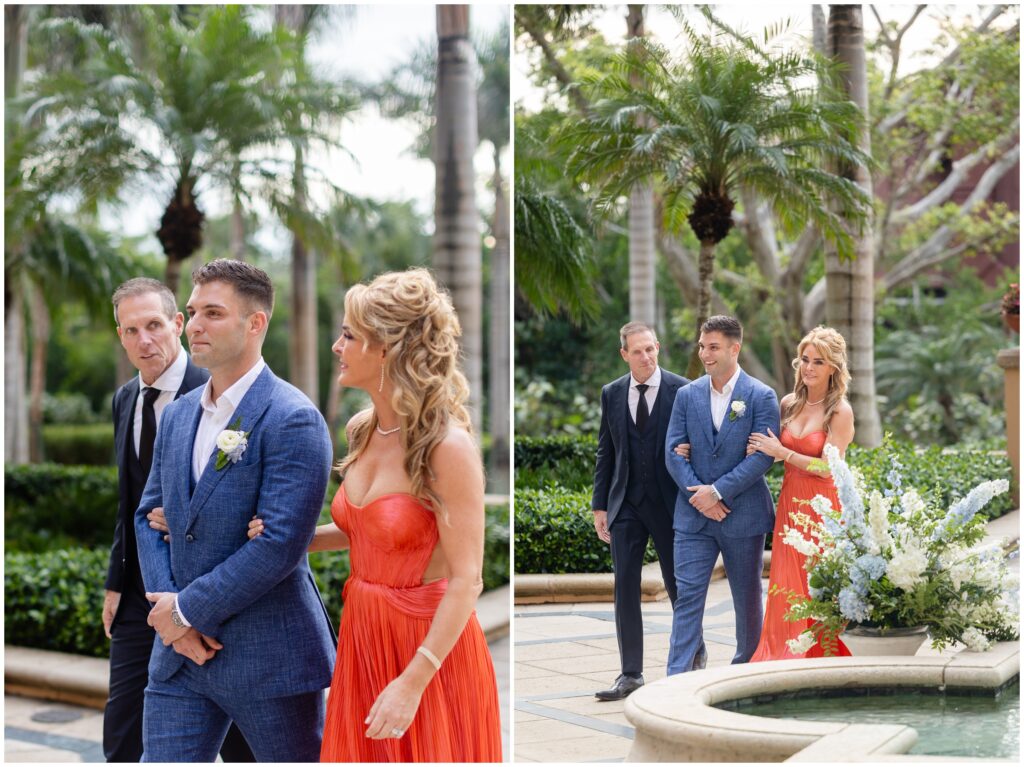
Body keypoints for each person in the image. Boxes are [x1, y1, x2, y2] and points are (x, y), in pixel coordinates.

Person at [250, 268, 501, 761]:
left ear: (386, 349)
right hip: (363, 636)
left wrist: (413, 681)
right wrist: (271, 537)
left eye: (349, 335)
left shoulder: (446, 448)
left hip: (427, 650)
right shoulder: (363, 429)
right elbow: (364, 533)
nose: (336, 346)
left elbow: (468, 579)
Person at [133, 259, 336, 761]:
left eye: (213, 313)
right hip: (179, 657)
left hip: (269, 656)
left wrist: (185, 611)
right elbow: (147, 516)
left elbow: (279, 544)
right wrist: (170, 617)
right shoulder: (179, 415)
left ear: (255, 323)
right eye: (193, 310)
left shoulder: (293, 418)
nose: (195, 325)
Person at [102, 277, 253, 763]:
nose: (145, 341)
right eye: (131, 331)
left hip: (207, 593)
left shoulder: (220, 392)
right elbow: (129, 503)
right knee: (122, 734)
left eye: (154, 326)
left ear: (177, 324)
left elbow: (245, 498)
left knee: (235, 741)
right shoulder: (125, 398)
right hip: (136, 593)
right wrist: (114, 581)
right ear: (121, 336)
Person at [590, 322, 701, 702]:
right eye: (637, 351)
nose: (646, 357)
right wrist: (599, 505)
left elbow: (698, 444)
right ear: (624, 354)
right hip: (625, 506)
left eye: (650, 349)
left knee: (679, 586)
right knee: (625, 590)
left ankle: (690, 660)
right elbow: (607, 451)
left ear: (659, 348)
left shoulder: (683, 389)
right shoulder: (612, 393)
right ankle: (630, 674)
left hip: (671, 504)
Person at [664, 316, 779, 675]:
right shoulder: (687, 395)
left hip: (742, 515)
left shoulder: (761, 396)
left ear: (734, 348)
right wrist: (699, 495)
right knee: (687, 598)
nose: (705, 354)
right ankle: (677, 676)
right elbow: (672, 450)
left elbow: (763, 456)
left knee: (746, 599)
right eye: (702, 346)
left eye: (713, 347)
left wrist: (717, 492)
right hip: (693, 515)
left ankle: (746, 670)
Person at [747, 327, 854, 659]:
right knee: (786, 584)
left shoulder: (840, 411)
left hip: (823, 509)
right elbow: (762, 446)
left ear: (833, 367)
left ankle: (818, 658)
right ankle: (779, 653)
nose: (808, 368)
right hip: (791, 504)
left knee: (816, 587)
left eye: (818, 362)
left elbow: (828, 467)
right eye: (805, 359)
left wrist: (785, 454)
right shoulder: (788, 404)